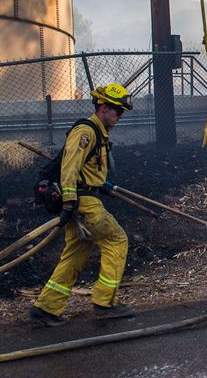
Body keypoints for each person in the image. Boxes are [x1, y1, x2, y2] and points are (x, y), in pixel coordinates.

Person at [29, 83, 134, 327]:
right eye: (117, 111)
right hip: (84, 205)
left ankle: (46, 308)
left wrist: (101, 185)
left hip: (83, 200)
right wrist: (69, 203)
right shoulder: (86, 132)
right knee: (117, 240)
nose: (120, 117)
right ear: (104, 108)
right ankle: (105, 303)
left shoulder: (98, 133)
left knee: (76, 254)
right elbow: (69, 168)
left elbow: (86, 170)